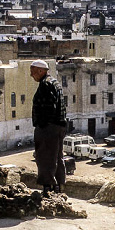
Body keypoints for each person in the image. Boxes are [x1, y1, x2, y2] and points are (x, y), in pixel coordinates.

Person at [30, 59, 67, 196]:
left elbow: (49, 107)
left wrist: (43, 125)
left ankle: (49, 188)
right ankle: (60, 186)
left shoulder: (45, 85)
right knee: (57, 156)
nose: (31, 75)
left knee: (45, 157)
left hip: (49, 128)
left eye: (33, 72)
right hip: (59, 126)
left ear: (41, 71)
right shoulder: (55, 82)